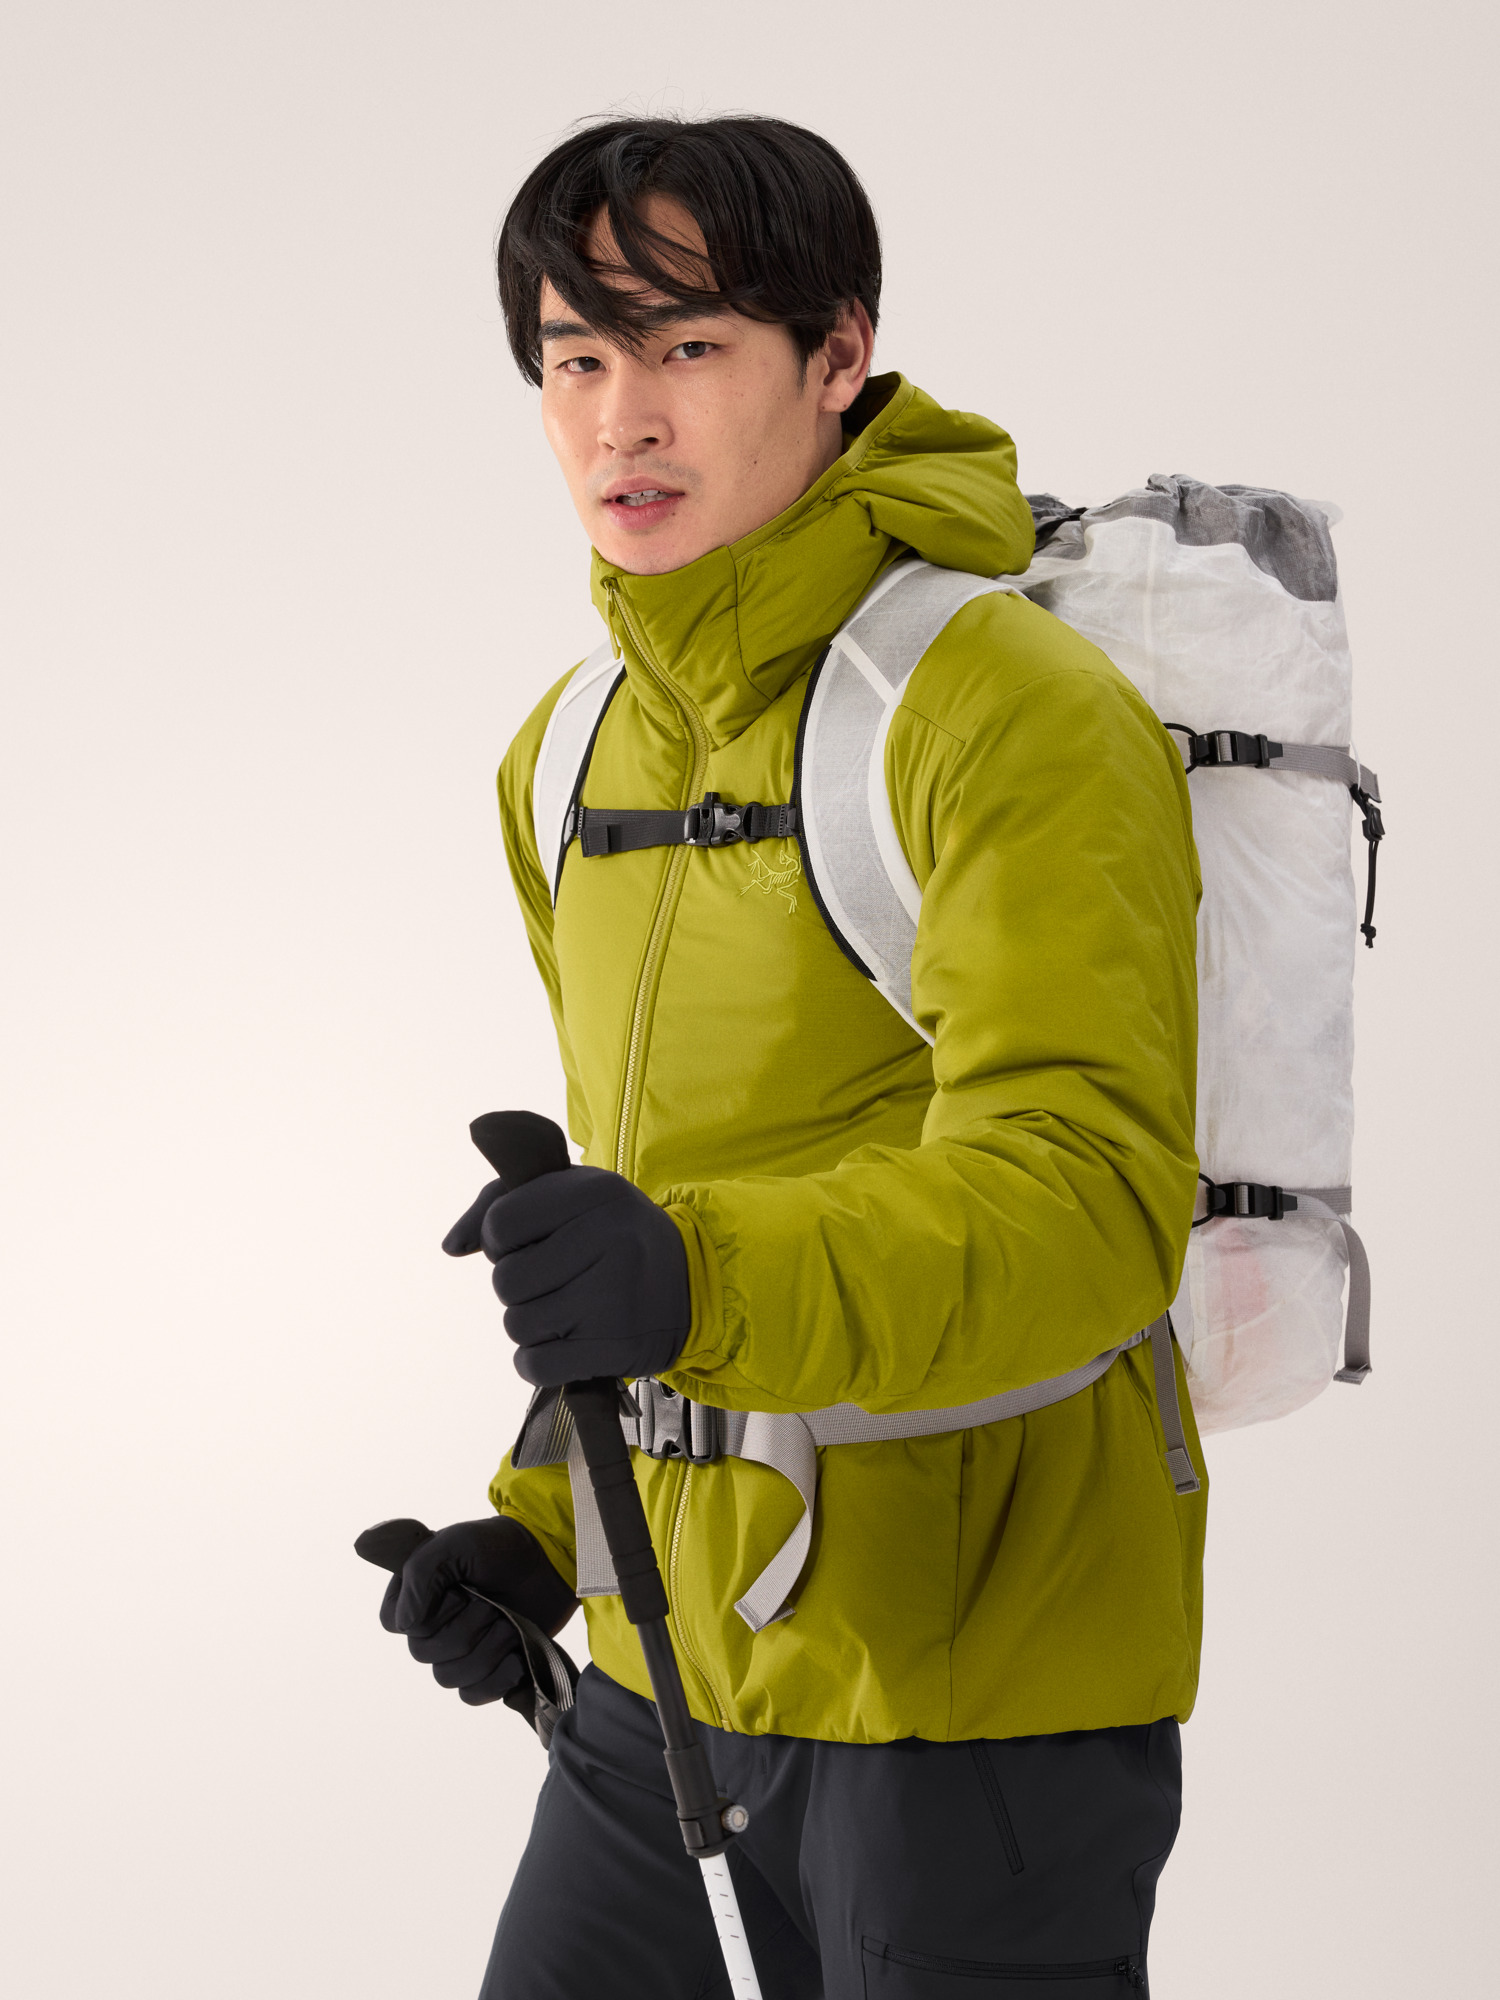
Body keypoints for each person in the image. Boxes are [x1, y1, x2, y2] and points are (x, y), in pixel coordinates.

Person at [375, 114, 1205, 1999]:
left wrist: (693, 1277)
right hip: (660, 1677)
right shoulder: (569, 750)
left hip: (969, 1703)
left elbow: (1091, 1207)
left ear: (838, 354)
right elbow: (644, 1211)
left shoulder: (1002, 709)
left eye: (686, 346)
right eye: (574, 362)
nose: (622, 420)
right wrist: (542, 1530)